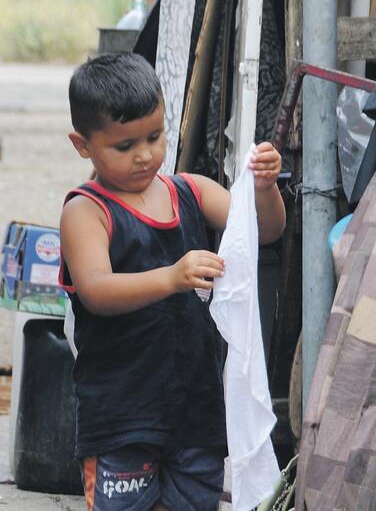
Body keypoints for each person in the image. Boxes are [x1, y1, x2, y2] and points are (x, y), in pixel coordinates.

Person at [58, 53, 285, 511]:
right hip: (121, 415)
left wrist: (263, 187)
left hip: (194, 412)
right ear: (83, 145)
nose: (144, 155)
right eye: (124, 146)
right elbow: (97, 290)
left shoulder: (190, 189)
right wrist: (171, 277)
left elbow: (264, 230)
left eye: (155, 137)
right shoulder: (86, 210)